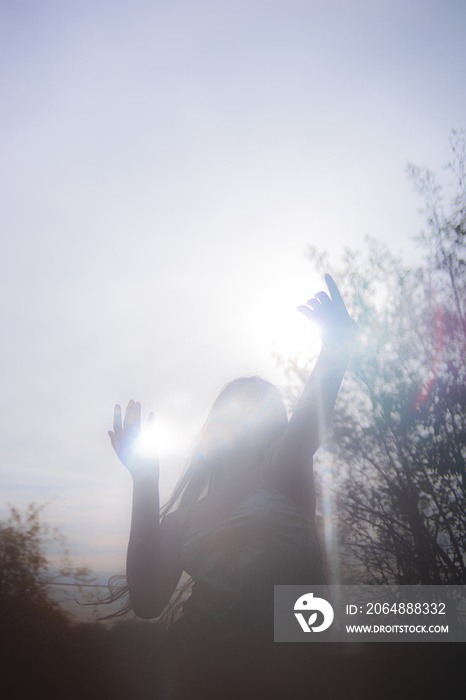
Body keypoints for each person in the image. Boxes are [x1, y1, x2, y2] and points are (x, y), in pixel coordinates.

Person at [107, 274, 358, 699]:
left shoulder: (283, 474)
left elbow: (308, 427)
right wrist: (145, 480)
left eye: (265, 412)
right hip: (198, 679)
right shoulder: (184, 520)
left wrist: (337, 348)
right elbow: (148, 602)